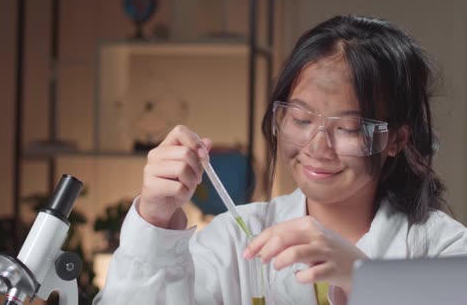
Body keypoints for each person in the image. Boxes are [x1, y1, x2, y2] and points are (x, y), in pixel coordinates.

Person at [92, 15, 467, 305]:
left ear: (395, 140)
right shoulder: (235, 241)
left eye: (349, 128)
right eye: (301, 120)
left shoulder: (440, 246)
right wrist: (155, 220)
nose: (318, 147)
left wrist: (363, 277)